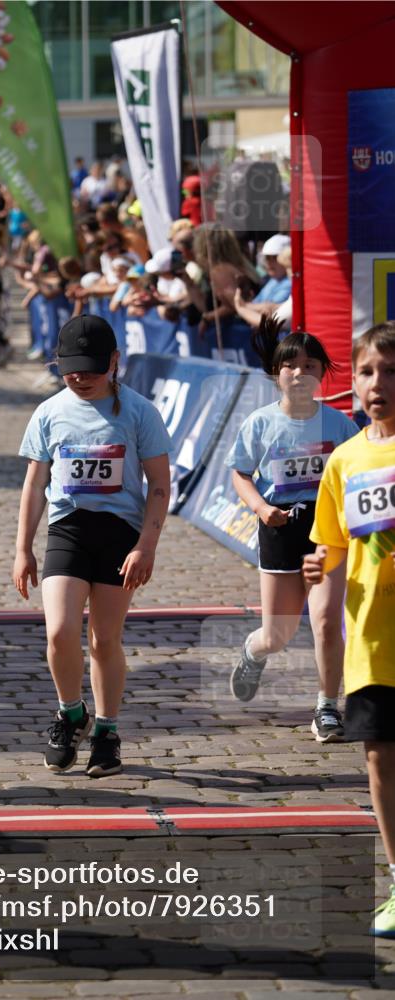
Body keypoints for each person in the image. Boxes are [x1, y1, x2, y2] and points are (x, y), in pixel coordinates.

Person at [12, 315, 171, 777]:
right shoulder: (48, 412)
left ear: (115, 362)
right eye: (70, 368)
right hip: (68, 530)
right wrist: (23, 547)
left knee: (104, 640)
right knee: (59, 632)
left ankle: (107, 731)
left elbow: (160, 484)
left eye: (92, 368)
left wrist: (147, 545)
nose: (80, 377)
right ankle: (70, 712)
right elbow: (34, 482)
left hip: (121, 535)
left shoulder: (140, 412)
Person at [303, 320, 395, 938]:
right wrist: (318, 563)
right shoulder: (344, 459)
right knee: (380, 760)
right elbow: (330, 547)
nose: (377, 383)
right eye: (366, 371)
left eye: (390, 371)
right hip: (370, 637)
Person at [225, 318, 358, 740]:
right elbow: (240, 474)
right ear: (276, 373)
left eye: (309, 365)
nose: (299, 373)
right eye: (290, 365)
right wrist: (262, 508)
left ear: (322, 373)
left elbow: (359, 473)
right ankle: (252, 651)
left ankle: (326, 708)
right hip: (280, 530)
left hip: (327, 534)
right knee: (277, 634)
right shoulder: (261, 424)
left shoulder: (339, 426)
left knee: (324, 620)